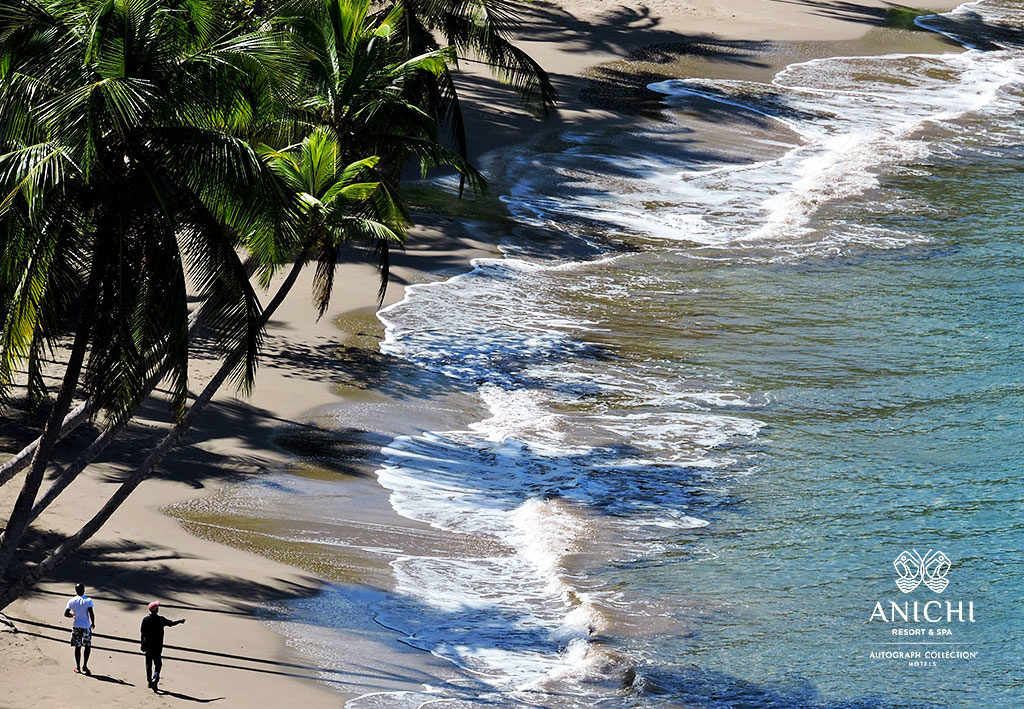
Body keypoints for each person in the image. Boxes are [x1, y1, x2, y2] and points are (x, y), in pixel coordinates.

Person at [140, 601, 185, 690]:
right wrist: (180, 621)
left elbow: (142, 633)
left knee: (148, 664)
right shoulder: (161, 619)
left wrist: (142, 644)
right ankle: (156, 676)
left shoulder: (146, 619)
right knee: (158, 663)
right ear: (157, 610)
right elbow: (171, 623)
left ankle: (149, 681)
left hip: (148, 645)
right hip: (157, 646)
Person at [64, 583, 95, 675]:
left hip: (76, 625)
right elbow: (91, 613)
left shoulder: (72, 601)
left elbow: (66, 614)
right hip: (86, 626)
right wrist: (93, 623)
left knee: (78, 647)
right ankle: (85, 665)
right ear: (84, 590)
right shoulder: (88, 600)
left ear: (76, 591)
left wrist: (73, 615)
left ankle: (77, 667)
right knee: (87, 646)